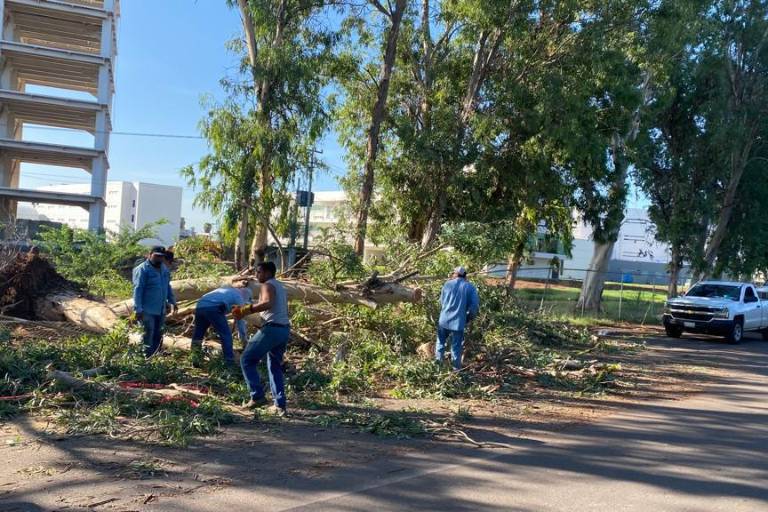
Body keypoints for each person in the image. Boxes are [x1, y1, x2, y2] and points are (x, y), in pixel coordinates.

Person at [235, 261, 290, 415]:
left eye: (259, 272)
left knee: (246, 359)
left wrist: (246, 309)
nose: (256, 275)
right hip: (283, 330)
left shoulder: (267, 285)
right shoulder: (279, 286)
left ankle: (257, 396)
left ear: (267, 273)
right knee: (274, 366)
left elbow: (267, 303)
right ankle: (280, 405)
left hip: (272, 330)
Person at [190, 285, 253, 367]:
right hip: (213, 308)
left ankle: (195, 359)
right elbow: (240, 321)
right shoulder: (239, 297)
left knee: (198, 334)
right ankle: (229, 363)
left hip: (200, 304)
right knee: (226, 335)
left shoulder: (228, 289)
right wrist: (244, 340)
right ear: (246, 297)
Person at [132, 246, 177, 357]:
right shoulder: (142, 269)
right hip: (147, 310)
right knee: (148, 334)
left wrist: (172, 301)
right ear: (150, 254)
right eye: (156, 256)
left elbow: (168, 286)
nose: (159, 258)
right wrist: (138, 309)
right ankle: (145, 358)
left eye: (161, 257)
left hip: (160, 309)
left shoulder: (164, 269)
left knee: (159, 333)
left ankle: (155, 356)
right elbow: (138, 289)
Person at [435, 266, 480, 371]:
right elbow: (474, 307)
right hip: (458, 323)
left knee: (440, 343)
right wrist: (469, 318)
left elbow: (441, 302)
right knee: (456, 348)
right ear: (465, 276)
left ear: (455, 274)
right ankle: (456, 371)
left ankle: (437, 367)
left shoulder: (447, 284)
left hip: (444, 320)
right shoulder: (470, 287)